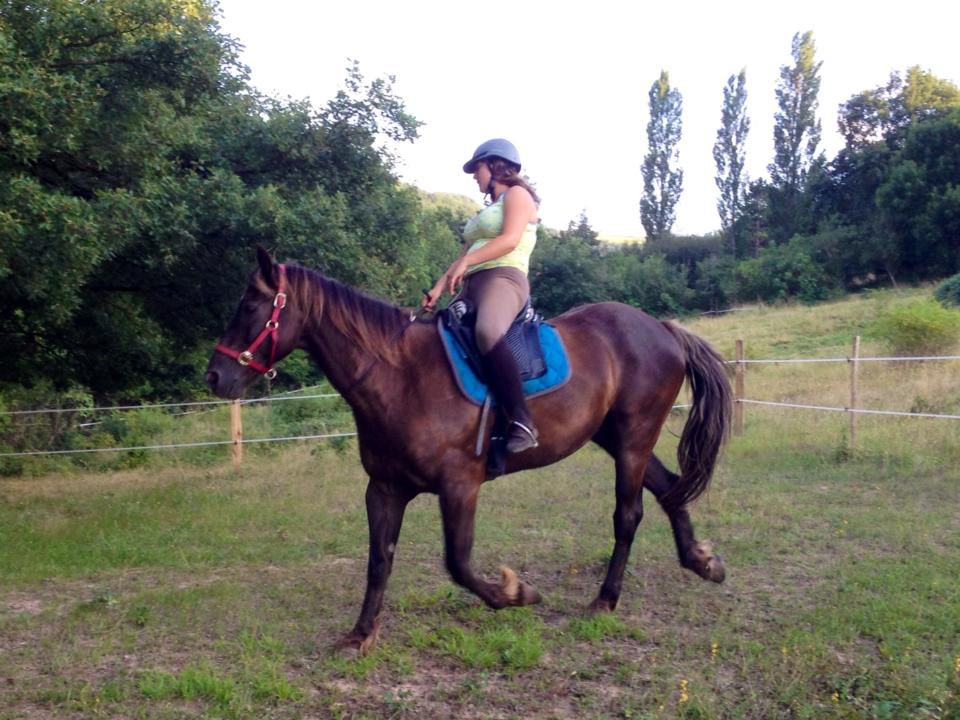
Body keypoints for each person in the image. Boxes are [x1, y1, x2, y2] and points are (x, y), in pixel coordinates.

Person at [423, 138, 541, 453]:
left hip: (504, 278)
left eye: (477, 168)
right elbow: (463, 255)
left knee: (487, 331)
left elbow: (510, 239)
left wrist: (467, 262)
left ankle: (522, 421)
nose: (475, 175)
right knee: (436, 338)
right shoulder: (486, 211)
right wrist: (438, 287)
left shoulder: (518, 195)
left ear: (496, 165)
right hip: (471, 284)